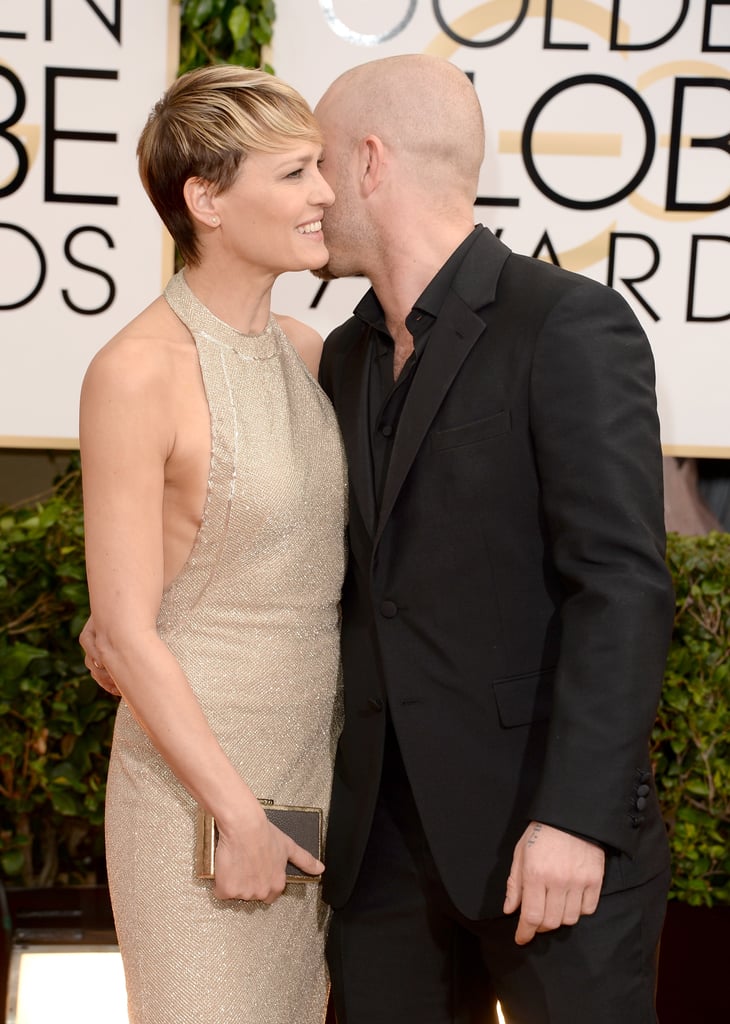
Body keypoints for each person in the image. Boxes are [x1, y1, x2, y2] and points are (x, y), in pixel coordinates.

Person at [310, 54, 675, 1023]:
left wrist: (575, 817)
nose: (309, 193)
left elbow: (622, 587)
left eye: (316, 165)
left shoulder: (564, 324)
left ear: (369, 164)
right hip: (382, 853)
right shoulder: (344, 356)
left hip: (546, 840)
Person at [78, 65, 346, 1024]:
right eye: (294, 173)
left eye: (321, 168)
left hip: (314, 770)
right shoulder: (134, 372)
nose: (324, 193)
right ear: (207, 199)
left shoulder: (311, 355)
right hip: (193, 789)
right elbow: (127, 629)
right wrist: (235, 811)